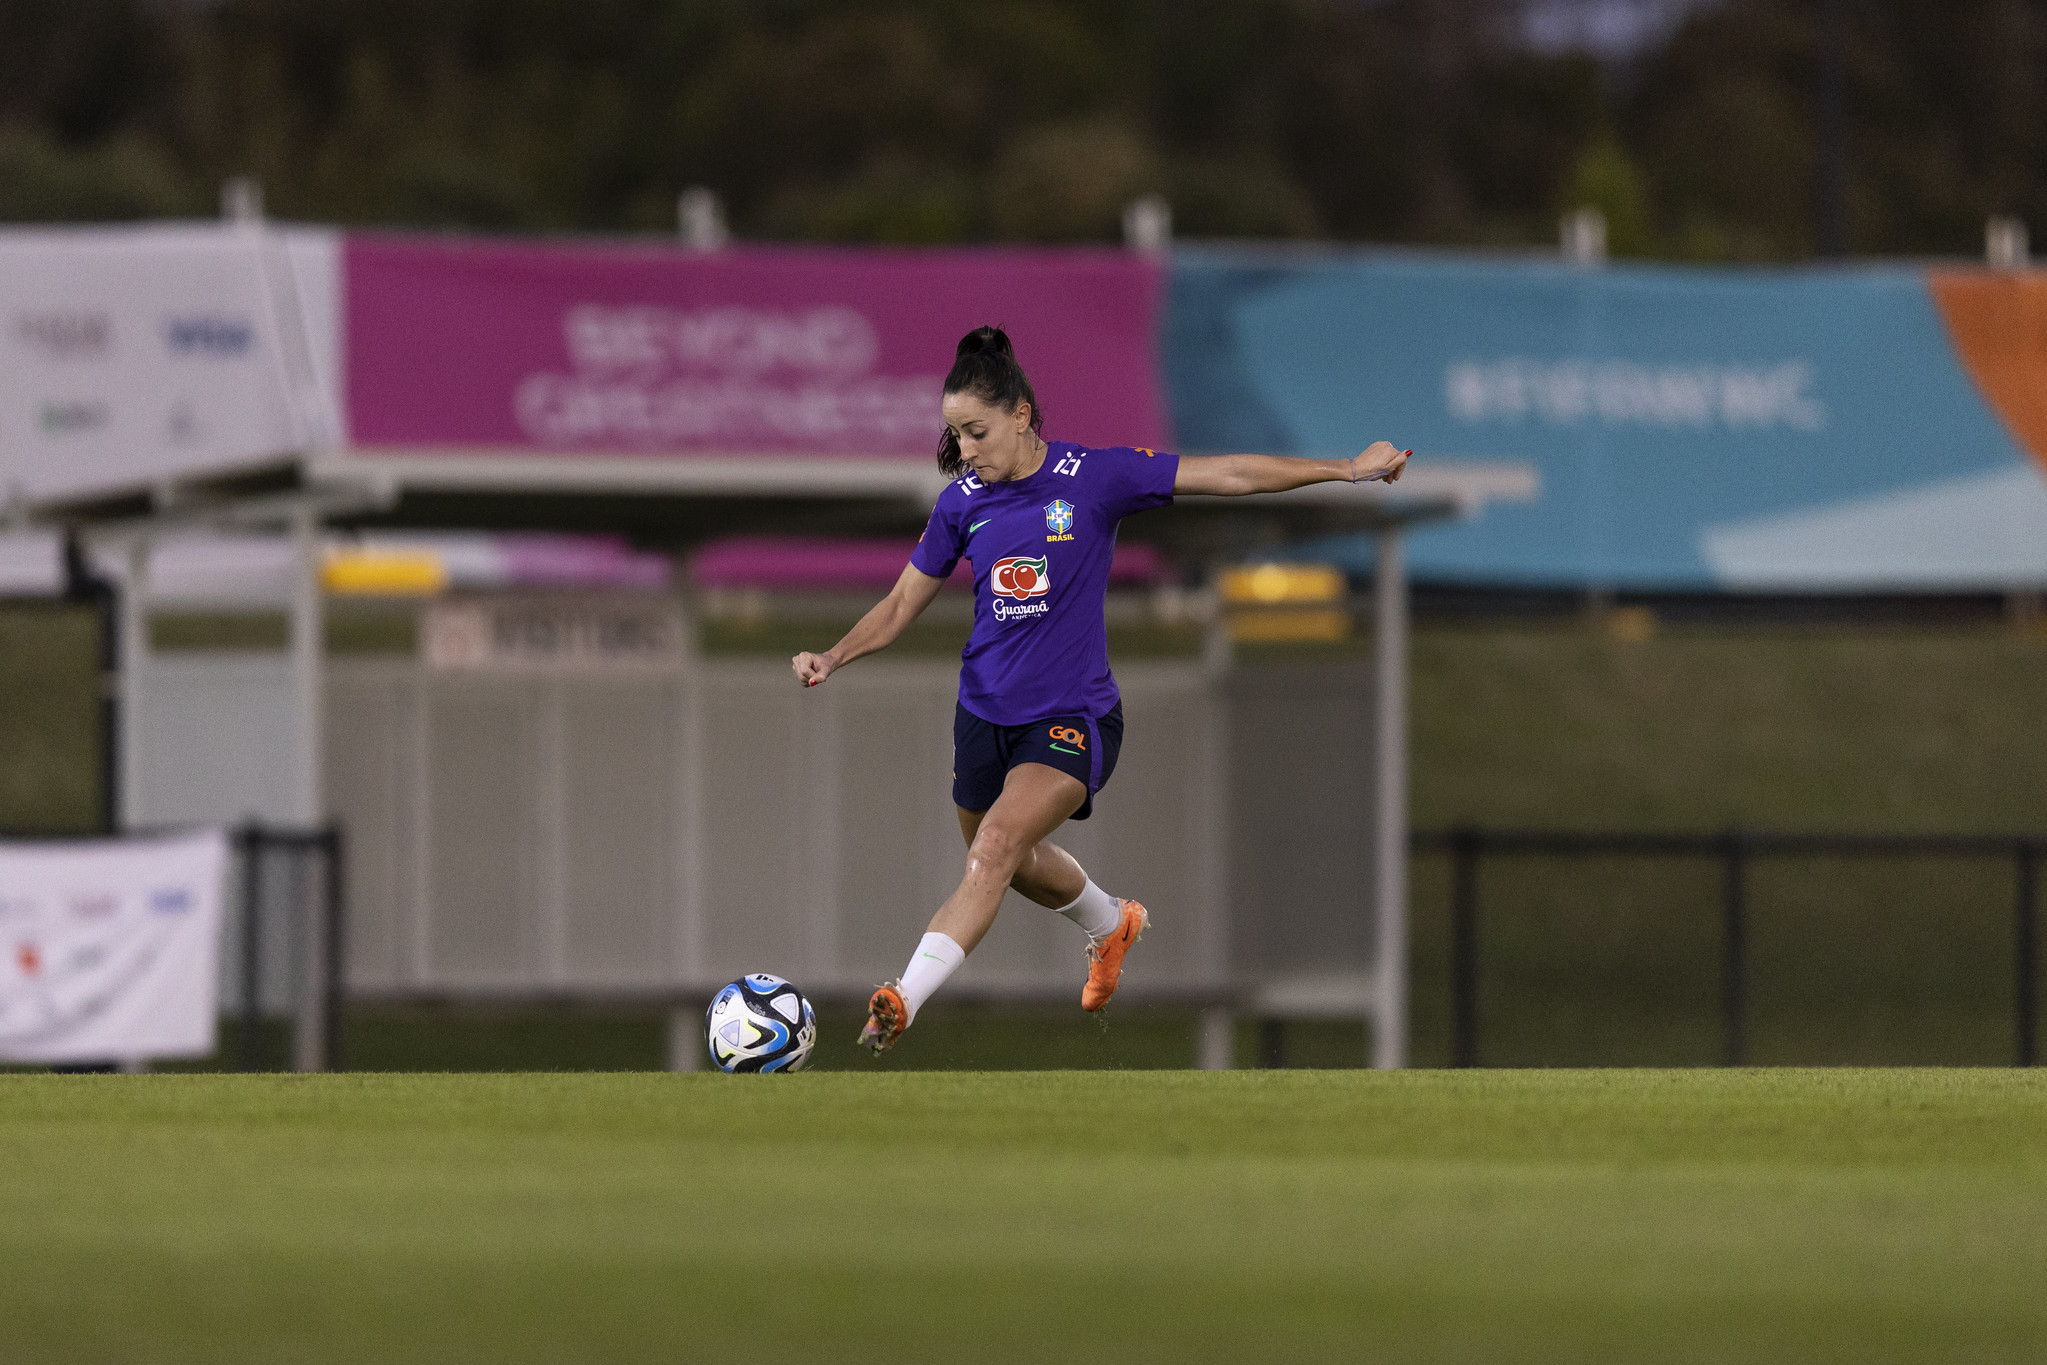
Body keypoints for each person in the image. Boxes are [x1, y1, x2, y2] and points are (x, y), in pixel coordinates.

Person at [792, 325, 1409, 1053]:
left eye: (976, 431)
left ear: (1021, 414)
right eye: (955, 435)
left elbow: (1228, 474)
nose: (964, 451)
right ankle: (1108, 920)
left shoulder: (1095, 477)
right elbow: (899, 605)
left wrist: (1345, 468)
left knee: (992, 847)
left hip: (1071, 717)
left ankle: (900, 998)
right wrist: (834, 655)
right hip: (980, 717)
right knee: (1005, 863)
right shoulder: (961, 504)